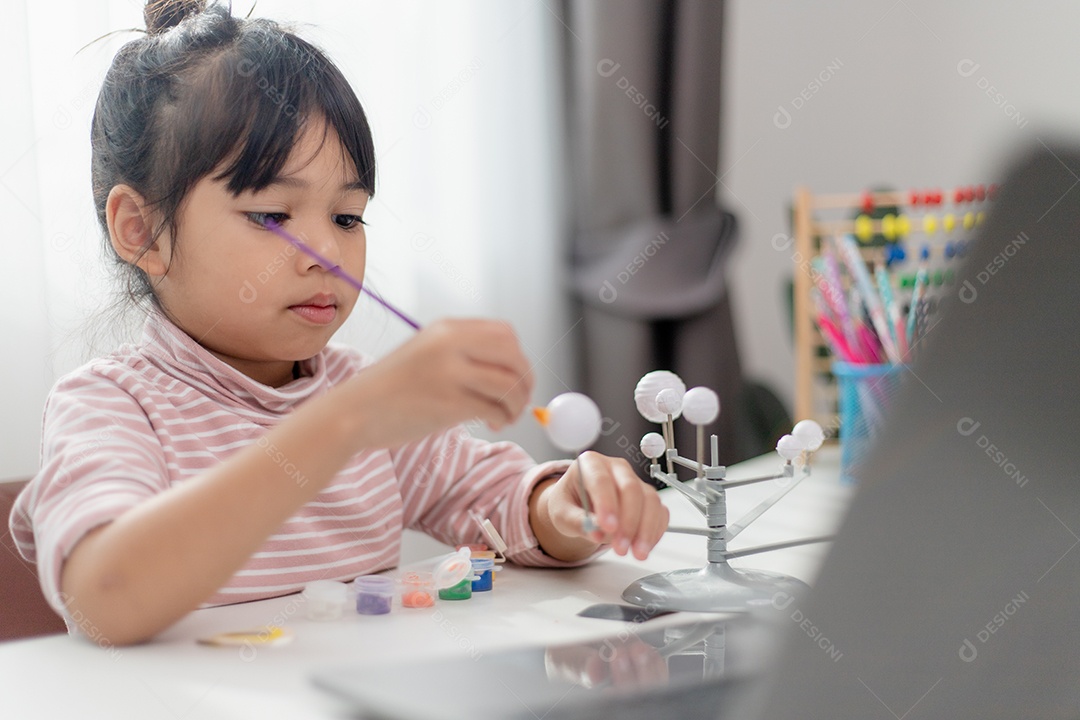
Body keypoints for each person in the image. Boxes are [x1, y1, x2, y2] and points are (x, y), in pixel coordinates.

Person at [9, 0, 668, 646]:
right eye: (272, 215)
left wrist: (570, 506)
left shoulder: (358, 395)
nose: (327, 253)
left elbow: (498, 506)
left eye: (348, 218)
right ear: (142, 230)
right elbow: (110, 598)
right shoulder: (109, 406)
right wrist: (348, 422)